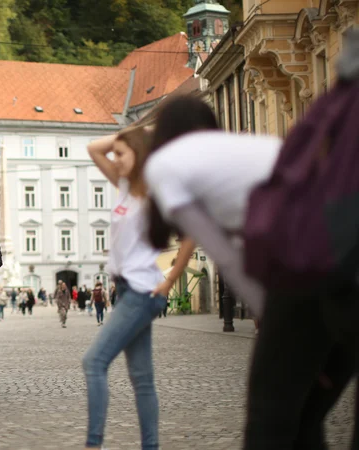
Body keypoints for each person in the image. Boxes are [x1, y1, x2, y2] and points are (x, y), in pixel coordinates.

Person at [142, 94, 358, 449]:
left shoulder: (164, 163)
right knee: (306, 413)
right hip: (346, 257)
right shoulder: (257, 145)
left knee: (270, 417)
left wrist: (271, 321)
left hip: (308, 265)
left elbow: (226, 257)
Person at [82, 126, 195, 450]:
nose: (115, 159)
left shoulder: (157, 193)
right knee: (143, 380)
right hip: (127, 290)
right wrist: (136, 131)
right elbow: (93, 148)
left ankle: (94, 444)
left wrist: (170, 279)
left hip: (143, 291)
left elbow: (192, 231)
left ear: (139, 155)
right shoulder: (124, 185)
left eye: (121, 154)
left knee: (94, 362)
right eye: (115, 154)